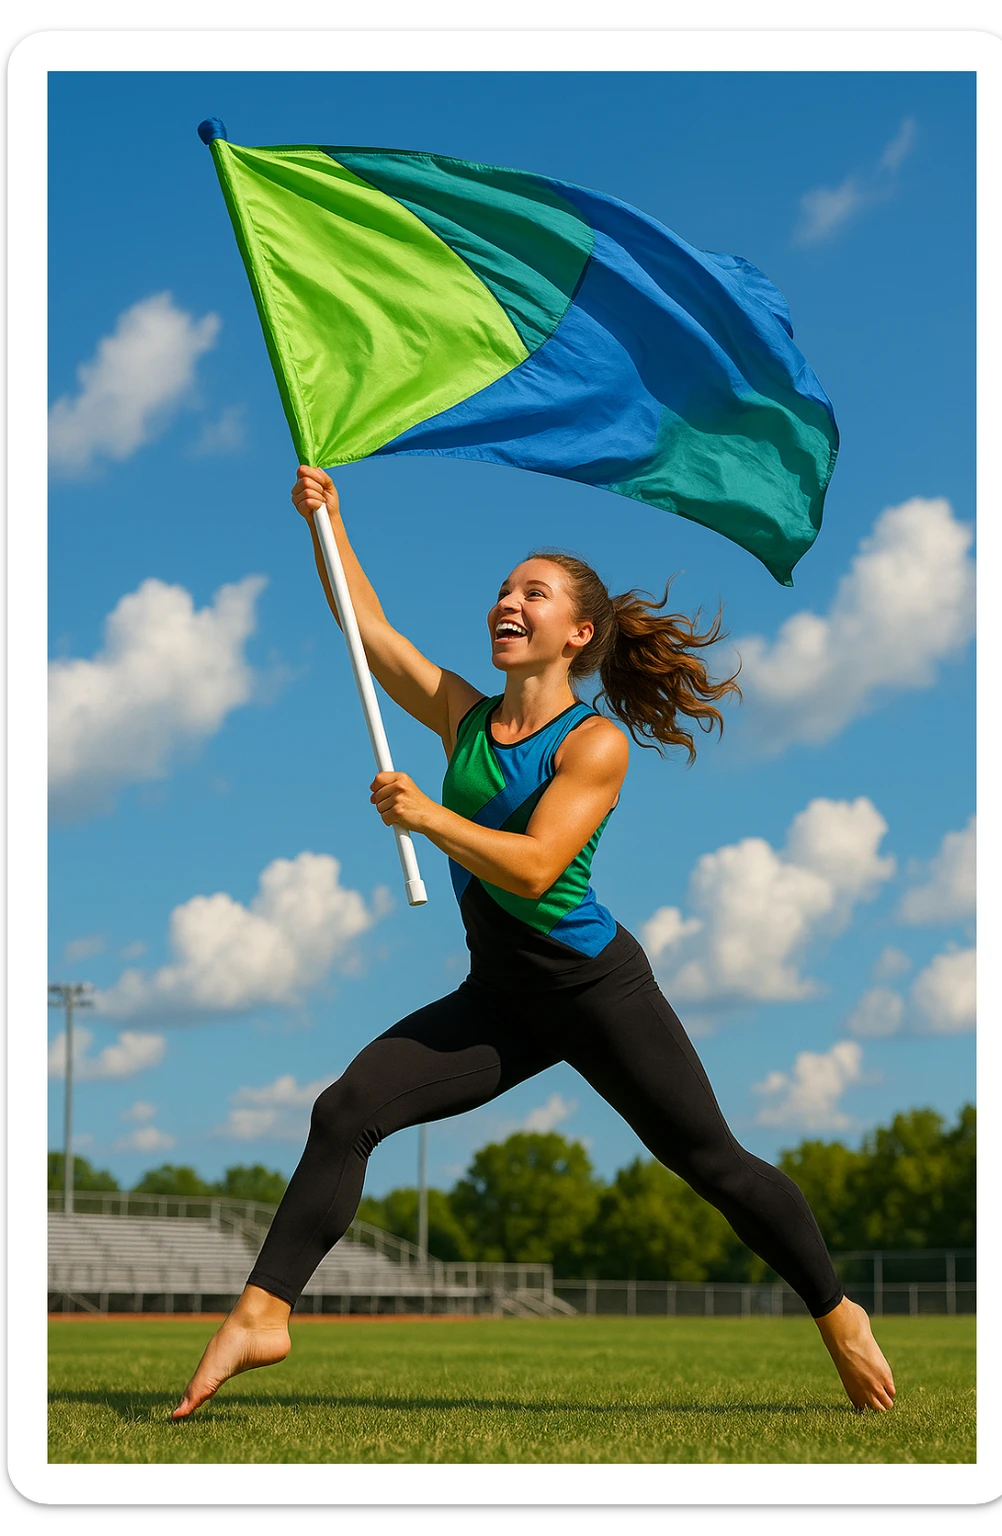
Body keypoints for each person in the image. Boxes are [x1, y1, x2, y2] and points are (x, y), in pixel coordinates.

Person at [172, 465, 896, 1420]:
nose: (508, 602)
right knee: (345, 1110)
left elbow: (536, 868)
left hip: (595, 990)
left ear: (577, 634)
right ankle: (264, 1313)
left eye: (533, 594)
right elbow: (368, 627)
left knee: (713, 1164)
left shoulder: (593, 743)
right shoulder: (463, 717)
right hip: (501, 999)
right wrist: (327, 519)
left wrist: (429, 819)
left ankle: (840, 1314)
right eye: (505, 590)